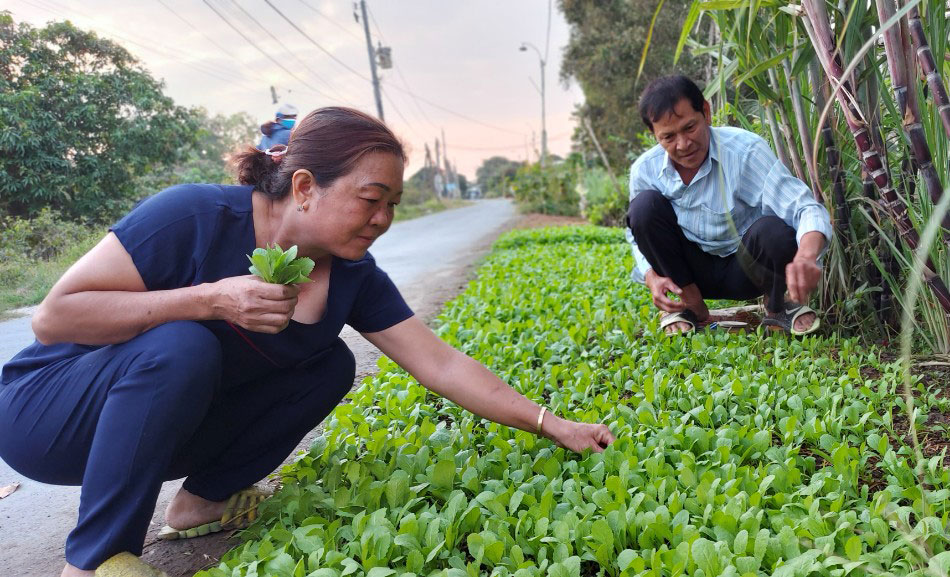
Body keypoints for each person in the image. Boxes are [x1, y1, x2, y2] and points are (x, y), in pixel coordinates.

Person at [0, 107, 615, 577]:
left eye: (393, 205)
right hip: (47, 411)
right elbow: (55, 318)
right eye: (370, 199)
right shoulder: (192, 217)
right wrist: (208, 299)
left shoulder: (352, 276)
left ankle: (199, 504)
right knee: (183, 345)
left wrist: (550, 424)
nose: (382, 219)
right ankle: (94, 562)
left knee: (329, 366)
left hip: (155, 429)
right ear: (303, 187)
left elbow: (439, 362)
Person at [625, 75, 833, 335]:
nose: (683, 144)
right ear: (654, 135)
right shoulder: (645, 170)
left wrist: (806, 257)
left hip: (746, 271)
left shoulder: (745, 151)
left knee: (774, 231)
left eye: (690, 128)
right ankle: (691, 306)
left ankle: (778, 307)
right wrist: (650, 275)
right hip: (689, 274)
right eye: (668, 137)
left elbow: (805, 209)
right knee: (643, 208)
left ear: (706, 112)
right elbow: (637, 233)